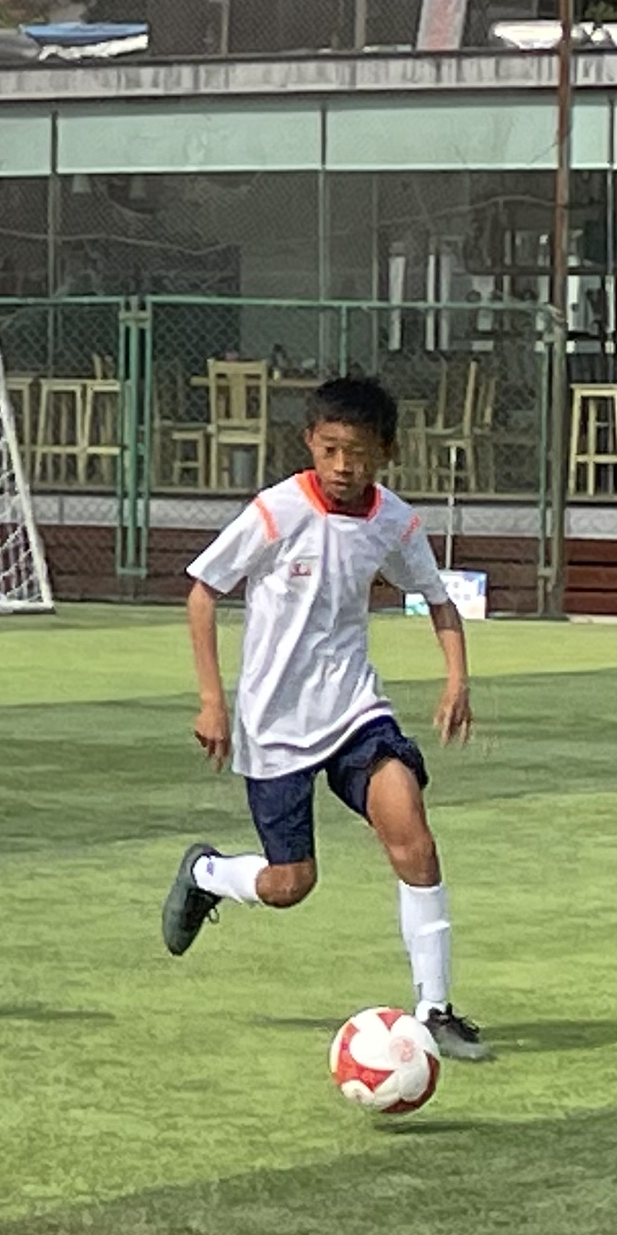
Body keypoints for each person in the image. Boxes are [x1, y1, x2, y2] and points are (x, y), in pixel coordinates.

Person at [157, 373, 487, 1061]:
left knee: (414, 837)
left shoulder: (394, 521)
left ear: (386, 453)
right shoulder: (276, 512)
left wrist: (457, 680)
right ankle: (208, 875)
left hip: (355, 711)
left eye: (358, 452)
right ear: (309, 441)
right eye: (331, 449)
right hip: (274, 722)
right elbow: (203, 592)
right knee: (290, 884)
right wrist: (213, 700)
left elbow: (438, 599)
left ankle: (435, 1010)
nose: (343, 466)